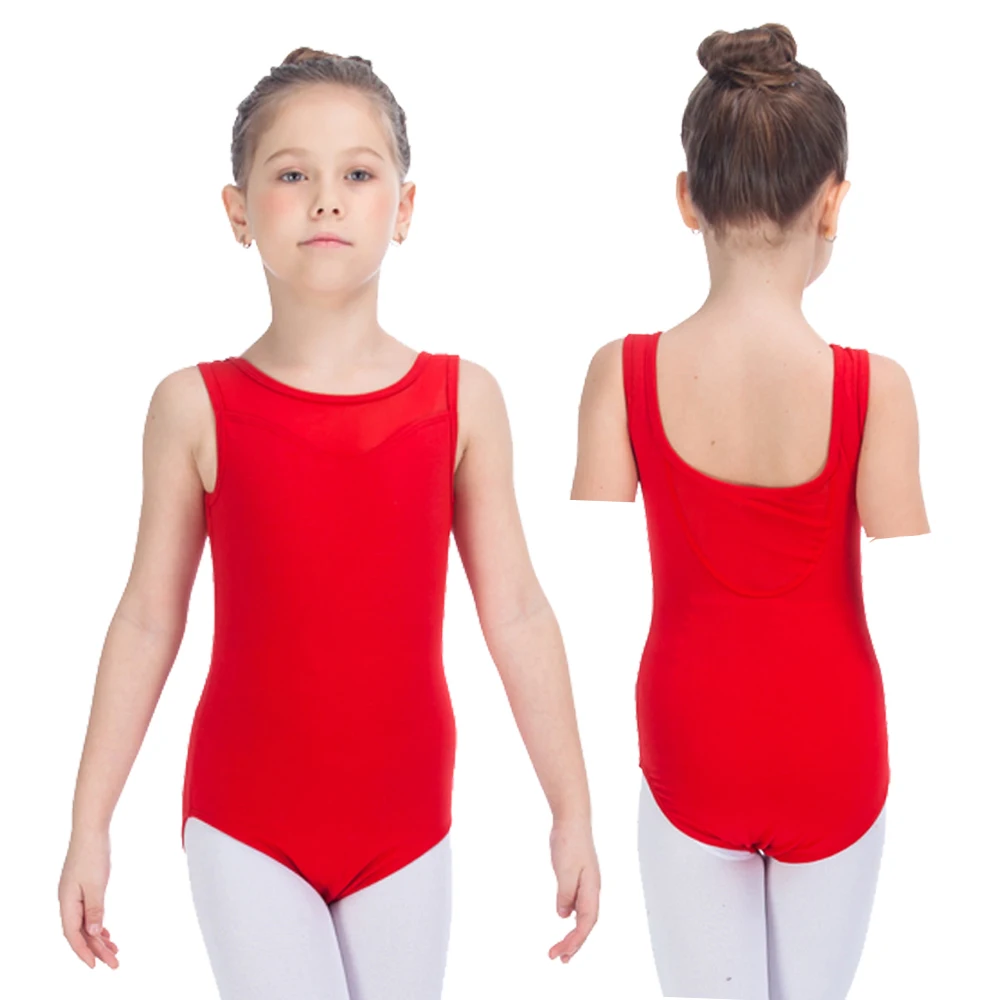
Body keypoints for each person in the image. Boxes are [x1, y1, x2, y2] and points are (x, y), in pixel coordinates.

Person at [58, 46, 600, 999]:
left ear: (405, 206)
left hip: (408, 825)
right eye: (291, 175)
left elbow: (516, 610)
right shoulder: (194, 407)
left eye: (357, 174)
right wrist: (88, 824)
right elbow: (147, 618)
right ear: (238, 212)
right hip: (245, 820)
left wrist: (572, 808)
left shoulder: (462, 401)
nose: (325, 201)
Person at [571, 23, 929, 1000]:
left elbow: (577, 573)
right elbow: (925, 590)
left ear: (687, 197)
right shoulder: (876, 390)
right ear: (833, 203)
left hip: (691, 738)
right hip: (834, 745)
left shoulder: (620, 374)